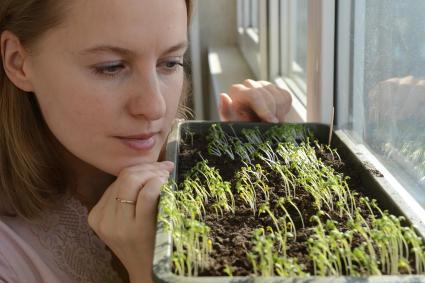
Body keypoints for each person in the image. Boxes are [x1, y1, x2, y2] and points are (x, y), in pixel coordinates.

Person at [0, 0, 292, 282]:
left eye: (170, 63)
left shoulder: (188, 160)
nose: (155, 107)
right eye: (111, 67)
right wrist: (152, 273)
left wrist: (247, 167)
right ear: (18, 61)